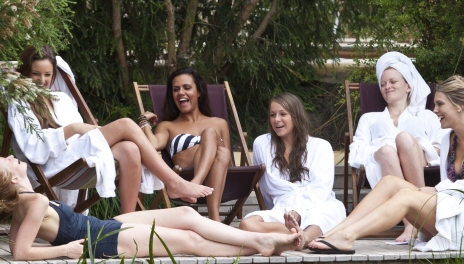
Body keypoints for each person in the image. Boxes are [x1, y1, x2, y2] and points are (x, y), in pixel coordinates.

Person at [309, 76, 464, 253]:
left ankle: (347, 236)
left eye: (440, 104)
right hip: (453, 213)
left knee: (407, 196)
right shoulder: (447, 140)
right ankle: (332, 233)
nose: (434, 110)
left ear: (459, 105)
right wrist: (438, 192)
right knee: (390, 182)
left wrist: (437, 189)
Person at [0, 156, 301, 260]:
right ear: (13, 179)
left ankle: (256, 242)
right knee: (189, 242)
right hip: (103, 242)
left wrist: (62, 244)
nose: (14, 157)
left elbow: (15, 245)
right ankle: (259, 245)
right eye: (9, 161)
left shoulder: (25, 204)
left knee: (186, 215)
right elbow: (21, 254)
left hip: (102, 227)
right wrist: (66, 251)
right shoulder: (35, 201)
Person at [9, 46, 212, 212]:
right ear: (25, 72)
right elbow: (32, 147)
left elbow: (84, 136)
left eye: (48, 74)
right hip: (54, 164)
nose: (42, 80)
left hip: (77, 156)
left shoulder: (60, 98)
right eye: (36, 74)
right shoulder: (19, 103)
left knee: (130, 150)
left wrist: (82, 130)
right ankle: (173, 182)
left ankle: (128, 222)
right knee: (125, 124)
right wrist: (73, 128)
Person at [348, 52, 444, 242]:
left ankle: (420, 213)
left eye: (393, 82)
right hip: (384, 162)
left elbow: (441, 145)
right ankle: (412, 225)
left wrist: (414, 148)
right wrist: (387, 150)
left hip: (419, 159)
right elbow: (357, 149)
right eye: (383, 84)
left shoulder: (426, 116)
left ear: (408, 86)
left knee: (405, 139)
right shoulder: (370, 119)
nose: (387, 87)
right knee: (386, 150)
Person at [238, 93, 346, 249]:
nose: (276, 120)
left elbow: (321, 189)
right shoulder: (262, 144)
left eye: (283, 114)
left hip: (318, 204)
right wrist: (285, 214)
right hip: (283, 208)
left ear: (296, 116)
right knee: (247, 225)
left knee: (330, 212)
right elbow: (266, 187)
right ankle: (299, 235)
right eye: (272, 115)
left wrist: (299, 211)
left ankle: (304, 236)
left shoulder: (321, 146)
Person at [139, 68, 230, 220]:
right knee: (212, 136)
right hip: (184, 178)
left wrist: (213, 140)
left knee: (216, 142)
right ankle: (214, 217)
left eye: (187, 87)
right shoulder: (167, 126)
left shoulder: (219, 123)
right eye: (176, 89)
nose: (181, 92)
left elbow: (228, 162)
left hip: (215, 180)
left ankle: (197, 188)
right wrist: (143, 121)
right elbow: (153, 145)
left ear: (199, 92)